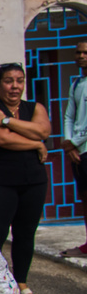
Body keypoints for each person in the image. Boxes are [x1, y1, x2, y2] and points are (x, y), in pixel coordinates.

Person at [0, 62, 50, 294]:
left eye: (19, 80)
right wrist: (36, 143)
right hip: (0, 181)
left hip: (33, 181)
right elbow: (2, 140)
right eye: (9, 81)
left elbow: (43, 130)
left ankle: (21, 283)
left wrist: (7, 121)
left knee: (26, 233)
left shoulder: (34, 107)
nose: (15, 86)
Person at [60, 41, 87, 258]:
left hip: (80, 146)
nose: (81, 56)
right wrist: (68, 141)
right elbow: (70, 115)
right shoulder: (77, 83)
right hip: (78, 152)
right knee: (85, 198)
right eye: (78, 52)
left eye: (85, 52)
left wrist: (73, 142)